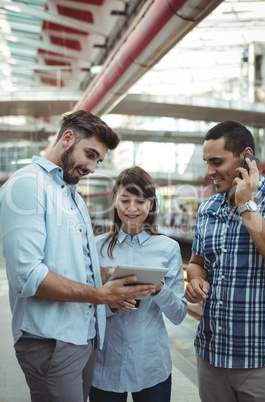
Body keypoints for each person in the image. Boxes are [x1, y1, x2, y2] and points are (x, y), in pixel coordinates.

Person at [0, 111, 156, 402]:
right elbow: (27, 276)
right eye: (90, 154)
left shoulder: (72, 196)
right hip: (50, 341)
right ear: (67, 138)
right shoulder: (27, 186)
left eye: (98, 160)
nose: (93, 167)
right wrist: (99, 294)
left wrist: (104, 274)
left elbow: (71, 261)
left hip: (82, 338)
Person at [185, 120, 265, 401]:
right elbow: (196, 262)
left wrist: (246, 205)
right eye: (207, 162)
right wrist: (195, 279)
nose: (209, 172)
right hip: (211, 354)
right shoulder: (209, 207)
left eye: (217, 161)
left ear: (246, 157)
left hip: (261, 359)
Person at [89, 166, 187, 402]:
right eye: (125, 200)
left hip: (151, 365)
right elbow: (85, 306)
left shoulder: (168, 248)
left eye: (140, 201)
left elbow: (179, 314)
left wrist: (159, 288)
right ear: (114, 201)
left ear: (151, 204)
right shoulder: (96, 247)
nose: (132, 208)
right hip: (105, 365)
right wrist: (110, 302)